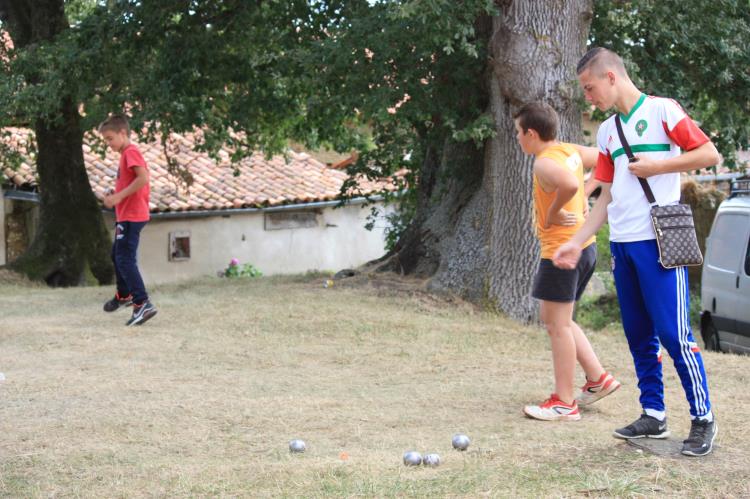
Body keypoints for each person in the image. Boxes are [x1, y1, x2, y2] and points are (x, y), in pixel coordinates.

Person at [553, 48, 719, 456]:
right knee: (639, 335)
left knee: (674, 335)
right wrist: (575, 241)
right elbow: (606, 196)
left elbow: (709, 154)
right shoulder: (608, 131)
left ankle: (703, 420)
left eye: (590, 88)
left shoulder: (663, 111)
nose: (588, 97)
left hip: (659, 243)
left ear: (611, 76)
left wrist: (659, 167)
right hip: (624, 246)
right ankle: (653, 414)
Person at [514, 102, 621, 422]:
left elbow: (570, 185)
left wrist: (557, 209)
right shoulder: (568, 151)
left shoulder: (544, 163)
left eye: (518, 133)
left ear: (531, 134)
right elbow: (606, 159)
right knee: (557, 318)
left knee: (556, 324)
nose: (518, 139)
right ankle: (599, 378)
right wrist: (590, 190)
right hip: (582, 247)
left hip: (562, 252)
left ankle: (563, 402)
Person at [99, 115, 158, 326]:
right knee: (117, 255)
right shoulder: (125, 154)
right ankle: (124, 295)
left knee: (125, 259)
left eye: (110, 138)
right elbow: (132, 181)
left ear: (123, 133)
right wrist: (115, 192)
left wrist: (118, 197)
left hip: (132, 216)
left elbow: (143, 178)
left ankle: (142, 303)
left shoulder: (131, 152)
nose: (108, 144)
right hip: (126, 215)